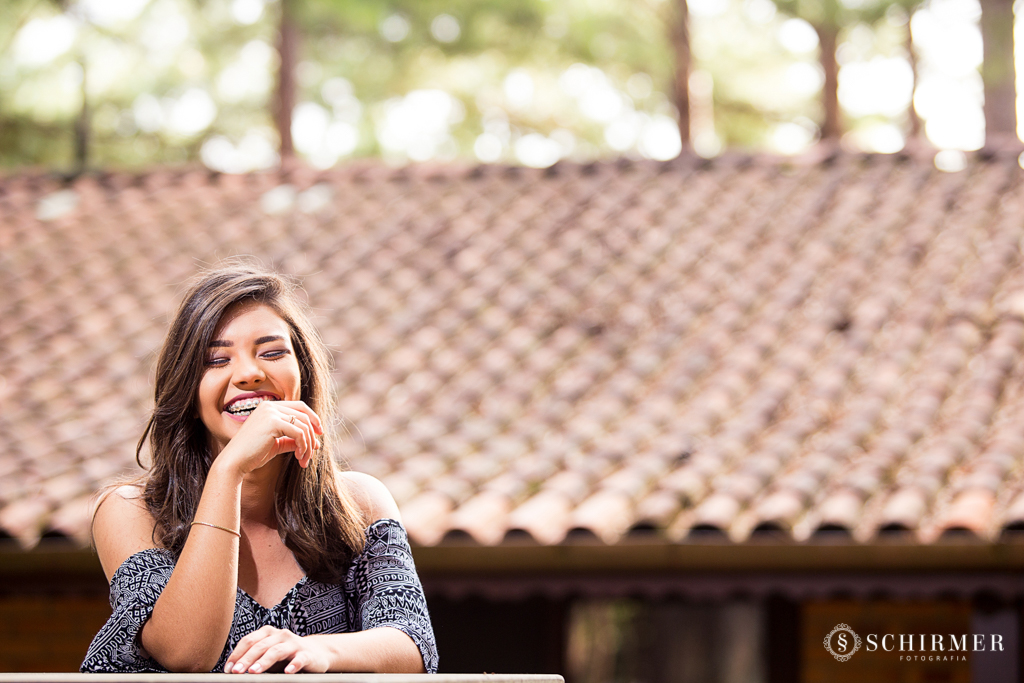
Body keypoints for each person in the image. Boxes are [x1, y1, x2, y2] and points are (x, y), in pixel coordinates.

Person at [81, 262, 438, 674]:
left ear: (302, 376)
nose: (250, 374)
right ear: (188, 394)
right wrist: (229, 471)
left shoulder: (357, 504)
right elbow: (186, 654)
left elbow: (413, 646)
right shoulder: (132, 510)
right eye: (217, 360)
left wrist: (320, 650)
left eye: (272, 353)